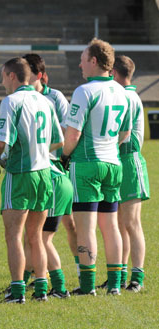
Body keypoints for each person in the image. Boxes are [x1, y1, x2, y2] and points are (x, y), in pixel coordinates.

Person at [0, 57, 63, 304]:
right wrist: (40, 152)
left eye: (3, 76)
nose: (2, 81)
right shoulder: (45, 101)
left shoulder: (11, 101)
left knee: (14, 235)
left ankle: (17, 291)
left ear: (12, 76)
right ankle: (42, 290)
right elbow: (59, 140)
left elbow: (2, 142)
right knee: (35, 235)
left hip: (21, 174)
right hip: (44, 174)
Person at [61, 38, 131, 296]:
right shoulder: (122, 92)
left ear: (93, 61)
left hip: (87, 165)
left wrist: (65, 157)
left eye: (82, 58)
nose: (79, 64)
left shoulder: (84, 91)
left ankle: (88, 285)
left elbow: (72, 135)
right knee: (111, 225)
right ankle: (115, 285)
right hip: (113, 163)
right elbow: (126, 131)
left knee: (86, 226)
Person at [19, 53, 73, 298]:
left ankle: (59, 286)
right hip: (51, 176)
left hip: (51, 175)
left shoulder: (53, 98)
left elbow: (62, 137)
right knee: (37, 235)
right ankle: (35, 277)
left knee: (42, 238)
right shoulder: (22, 98)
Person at [104, 55, 148, 292]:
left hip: (129, 161)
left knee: (131, 223)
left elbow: (124, 134)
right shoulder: (124, 95)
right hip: (118, 161)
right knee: (120, 223)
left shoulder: (127, 97)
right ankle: (119, 274)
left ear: (114, 73)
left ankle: (137, 277)